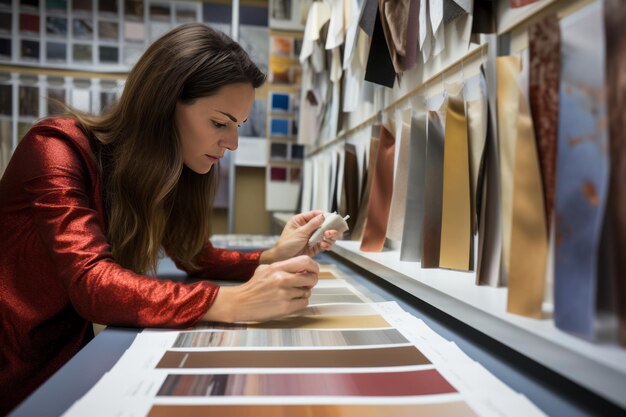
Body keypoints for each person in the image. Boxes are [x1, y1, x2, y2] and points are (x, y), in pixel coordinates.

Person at [0, 23, 337, 415]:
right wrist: (230, 302)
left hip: (68, 365)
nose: (232, 143)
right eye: (219, 123)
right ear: (164, 104)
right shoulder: (56, 148)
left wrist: (272, 255)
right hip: (16, 372)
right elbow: (92, 283)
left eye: (238, 126)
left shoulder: (172, 170)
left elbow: (194, 256)